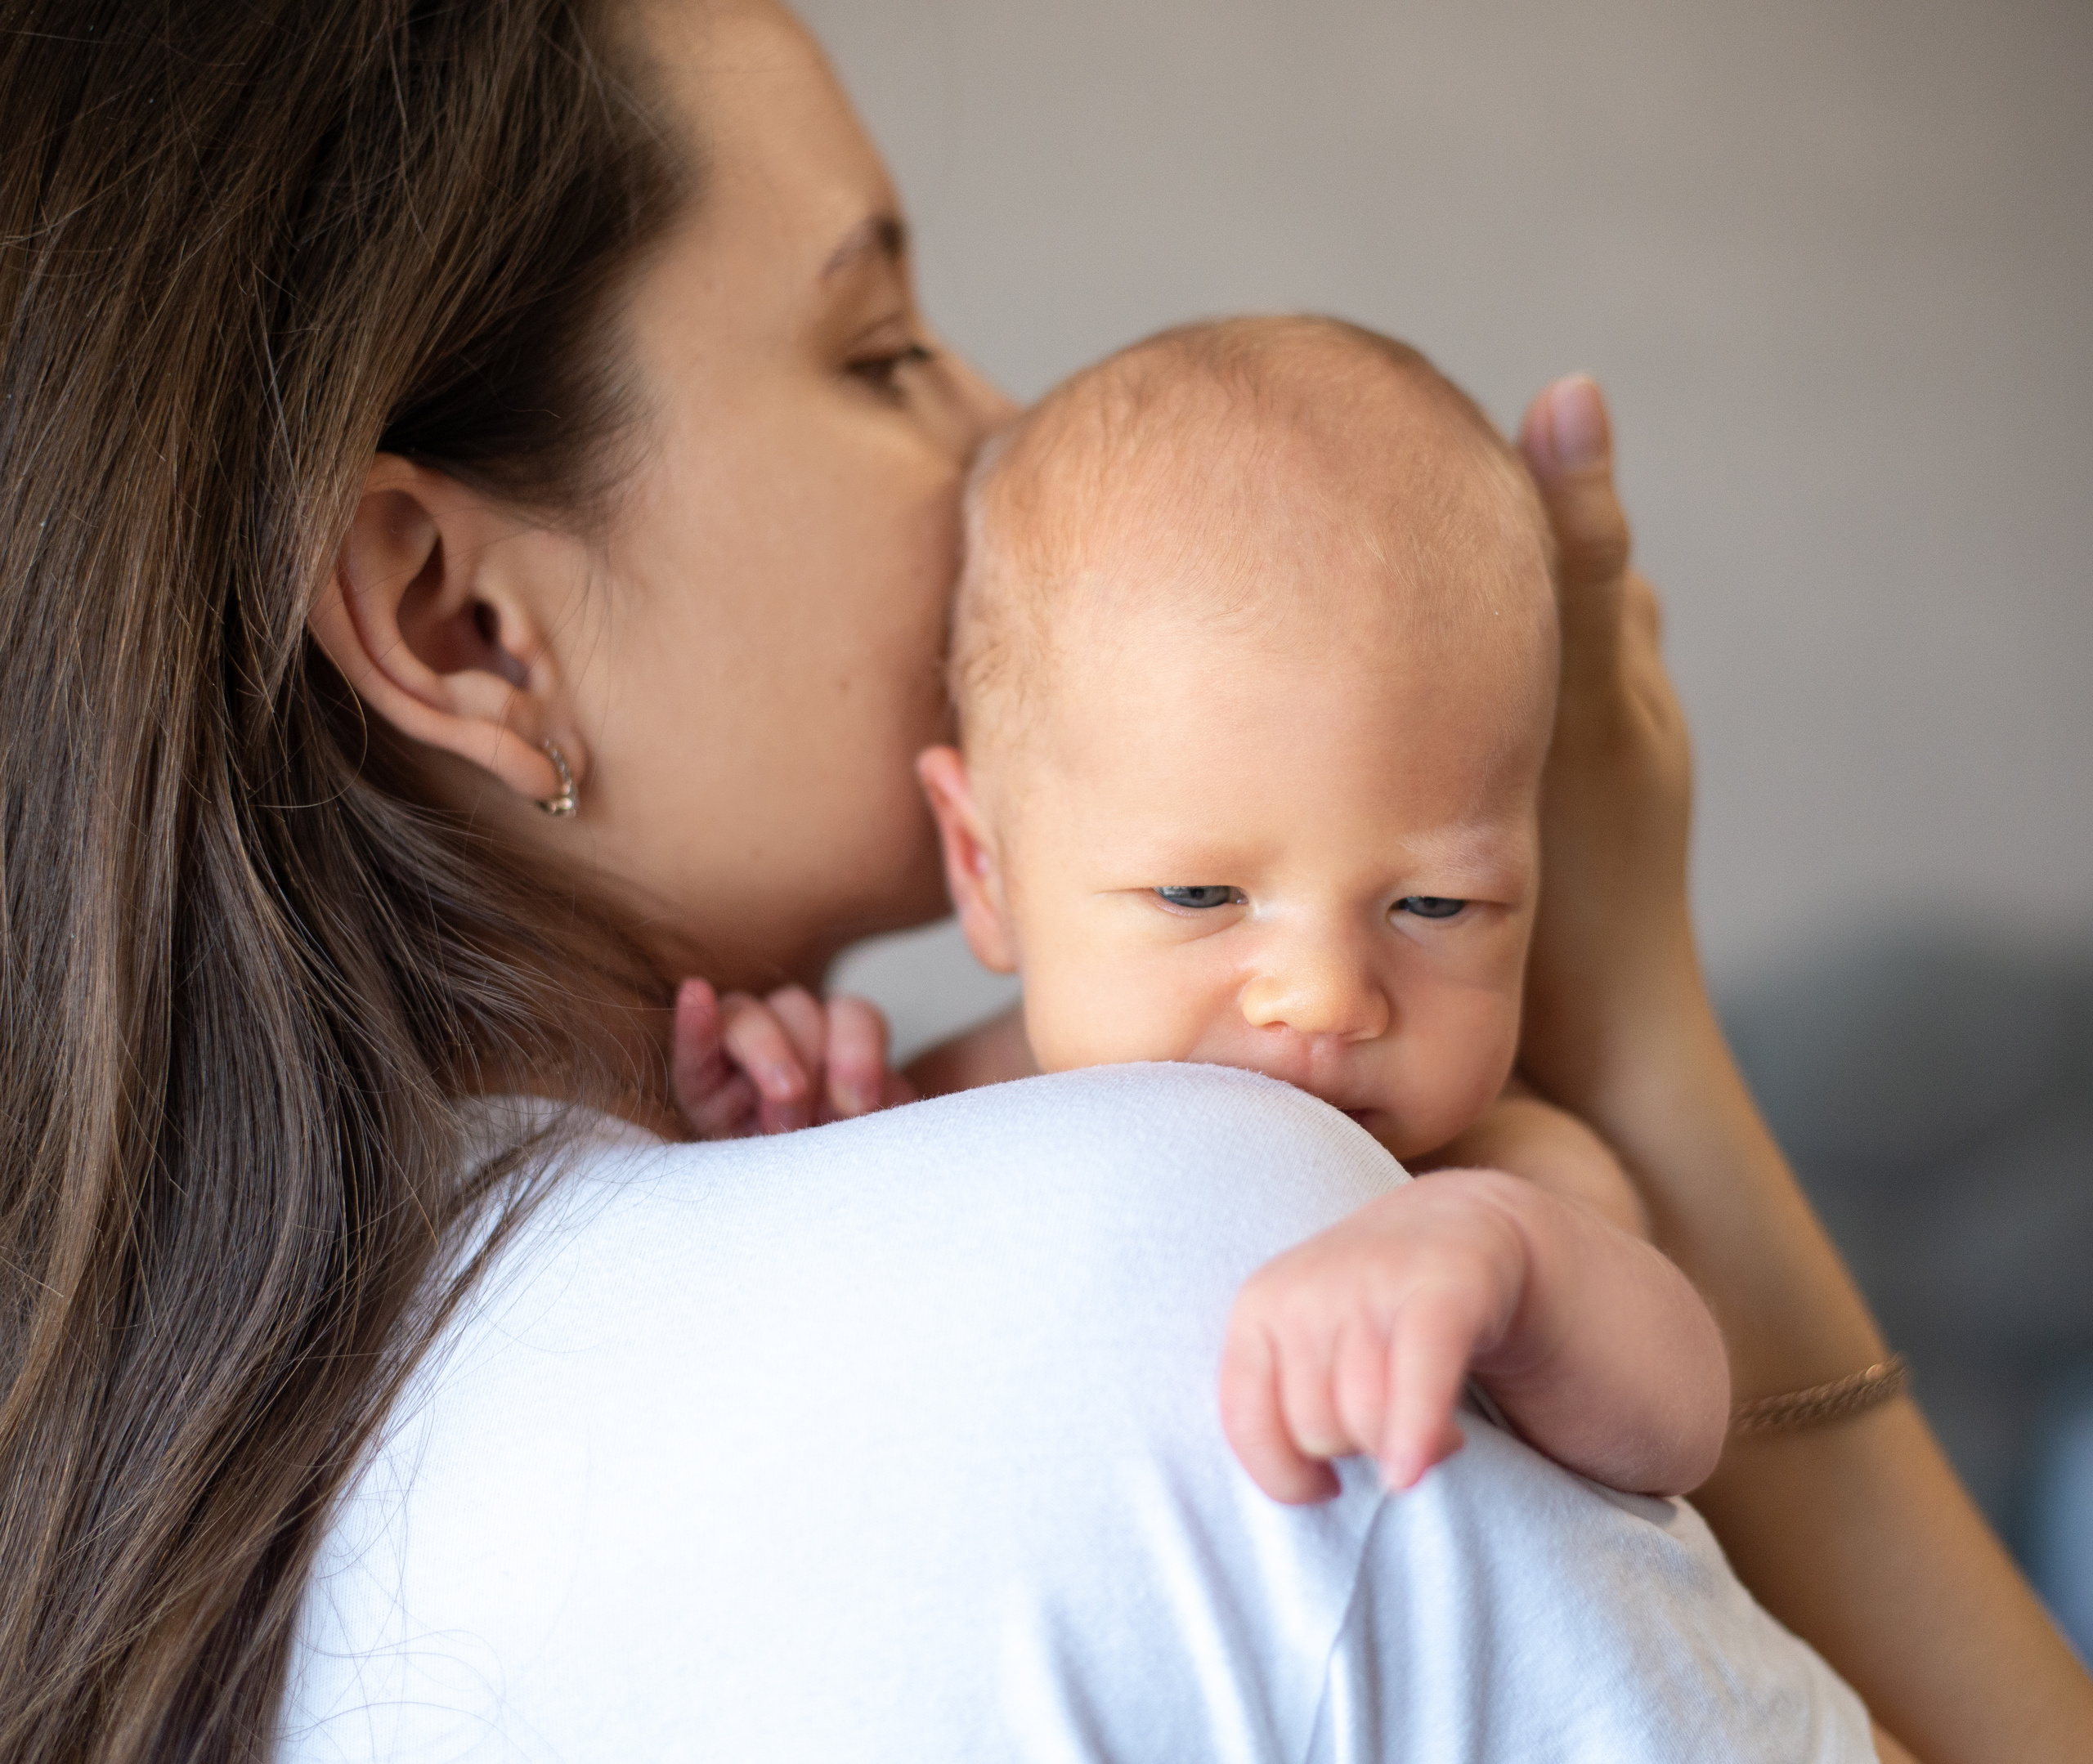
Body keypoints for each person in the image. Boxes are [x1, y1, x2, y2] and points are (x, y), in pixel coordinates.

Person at [1, 2, 2086, 1762]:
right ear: (460, 621)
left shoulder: (220, 1470)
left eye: (1435, 903)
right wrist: (1639, 1027)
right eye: (881, 348)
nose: (1006, 428)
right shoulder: (1209, 1250)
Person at [683, 312, 1733, 1507]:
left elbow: (1680, 1420)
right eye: (1200, 894)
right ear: (985, 868)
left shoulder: (1487, 1170)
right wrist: (783, 1134)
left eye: (1439, 902)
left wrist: (1508, 1264)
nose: (1326, 994)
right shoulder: (932, 1108)